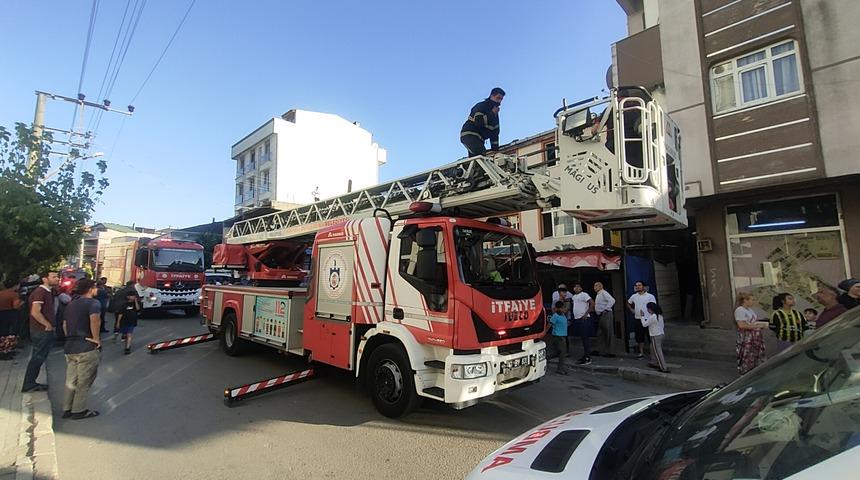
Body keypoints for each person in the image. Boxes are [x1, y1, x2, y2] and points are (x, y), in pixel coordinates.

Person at [61, 278, 101, 419]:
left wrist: (70, 337)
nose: (97, 289)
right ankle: (79, 410)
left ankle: (67, 408)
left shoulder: (71, 304)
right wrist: (96, 339)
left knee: (71, 380)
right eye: (95, 287)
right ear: (90, 289)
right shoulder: (94, 303)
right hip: (86, 347)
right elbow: (94, 320)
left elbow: (65, 325)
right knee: (84, 380)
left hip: (70, 347)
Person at [22, 270, 59, 393]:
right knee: (38, 357)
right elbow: (35, 312)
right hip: (41, 331)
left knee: (39, 356)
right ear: (45, 279)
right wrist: (47, 324)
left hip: (42, 330)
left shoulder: (48, 292)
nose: (57, 279)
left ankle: (31, 382)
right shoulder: (40, 292)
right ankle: (29, 384)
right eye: (54, 277)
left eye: (57, 276)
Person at [460, 87, 504, 157]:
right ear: (491, 96)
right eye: (498, 98)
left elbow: (495, 133)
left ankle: (469, 167)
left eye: (501, 99)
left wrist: (495, 150)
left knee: (475, 160)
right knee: (480, 153)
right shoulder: (481, 106)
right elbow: (479, 123)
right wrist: (492, 114)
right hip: (469, 135)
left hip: (480, 139)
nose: (499, 101)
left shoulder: (495, 115)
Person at [734, 292, 768, 375]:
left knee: (756, 354)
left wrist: (761, 324)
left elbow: (752, 321)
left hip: (755, 335)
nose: (753, 302)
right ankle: (746, 372)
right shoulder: (740, 310)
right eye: (752, 300)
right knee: (748, 354)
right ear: (745, 300)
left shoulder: (749, 310)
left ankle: (756, 371)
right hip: (747, 336)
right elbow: (741, 325)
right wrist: (759, 326)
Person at [627, 280, 656, 359]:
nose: (637, 287)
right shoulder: (634, 296)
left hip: (648, 319)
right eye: (636, 285)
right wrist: (632, 310)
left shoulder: (650, 296)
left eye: (639, 285)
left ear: (643, 286)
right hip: (638, 319)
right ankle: (641, 352)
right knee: (639, 337)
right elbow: (628, 303)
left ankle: (653, 353)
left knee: (650, 336)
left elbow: (654, 306)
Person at [569, 283, 594, 365]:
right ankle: (585, 355)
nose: (576, 288)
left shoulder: (584, 295)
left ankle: (588, 357)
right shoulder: (574, 297)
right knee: (583, 338)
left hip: (584, 319)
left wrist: (586, 313)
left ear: (581, 288)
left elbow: (592, 303)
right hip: (577, 319)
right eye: (575, 287)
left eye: (578, 287)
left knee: (585, 338)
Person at [642, 302, 669, 373]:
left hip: (655, 335)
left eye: (648, 309)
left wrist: (642, 316)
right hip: (661, 334)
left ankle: (663, 367)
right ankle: (659, 364)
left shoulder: (653, 316)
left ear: (651, 309)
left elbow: (644, 324)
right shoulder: (660, 315)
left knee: (658, 352)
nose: (647, 310)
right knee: (657, 351)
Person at [0, 278, 22, 360]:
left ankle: (2, 350)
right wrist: (21, 303)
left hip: (1, 314)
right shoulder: (14, 294)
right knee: (11, 332)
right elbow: (15, 306)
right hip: (11, 314)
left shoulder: (1, 293)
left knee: (2, 332)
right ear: (15, 285)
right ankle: (8, 350)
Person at [593, 281, 616, 357]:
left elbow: (612, 300)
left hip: (606, 314)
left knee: (608, 332)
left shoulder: (604, 293)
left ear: (600, 286)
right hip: (600, 315)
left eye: (596, 285)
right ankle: (600, 350)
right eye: (594, 286)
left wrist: (606, 309)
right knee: (600, 333)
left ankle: (611, 352)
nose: (595, 287)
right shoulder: (598, 294)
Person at [117, 289, 141, 354]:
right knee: (125, 334)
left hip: (132, 321)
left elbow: (138, 309)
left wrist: (136, 301)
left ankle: (127, 348)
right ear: (128, 297)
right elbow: (120, 314)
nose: (133, 297)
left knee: (129, 334)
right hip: (124, 321)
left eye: (134, 296)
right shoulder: (124, 304)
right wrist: (118, 323)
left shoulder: (135, 303)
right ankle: (124, 337)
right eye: (132, 296)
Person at [548, 301, 568, 375]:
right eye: (562, 308)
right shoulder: (555, 316)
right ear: (558, 308)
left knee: (556, 352)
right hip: (558, 336)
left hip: (563, 335)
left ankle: (546, 359)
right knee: (563, 353)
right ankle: (560, 369)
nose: (564, 309)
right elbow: (549, 325)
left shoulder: (563, 315)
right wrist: (544, 333)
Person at [551, 284, 573, 351]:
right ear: (559, 293)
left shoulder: (567, 302)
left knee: (565, 337)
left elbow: (566, 311)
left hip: (565, 321)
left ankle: (566, 351)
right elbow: (553, 310)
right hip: (557, 321)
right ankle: (557, 351)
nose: (565, 294)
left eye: (565, 292)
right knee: (556, 337)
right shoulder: (556, 301)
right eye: (563, 292)